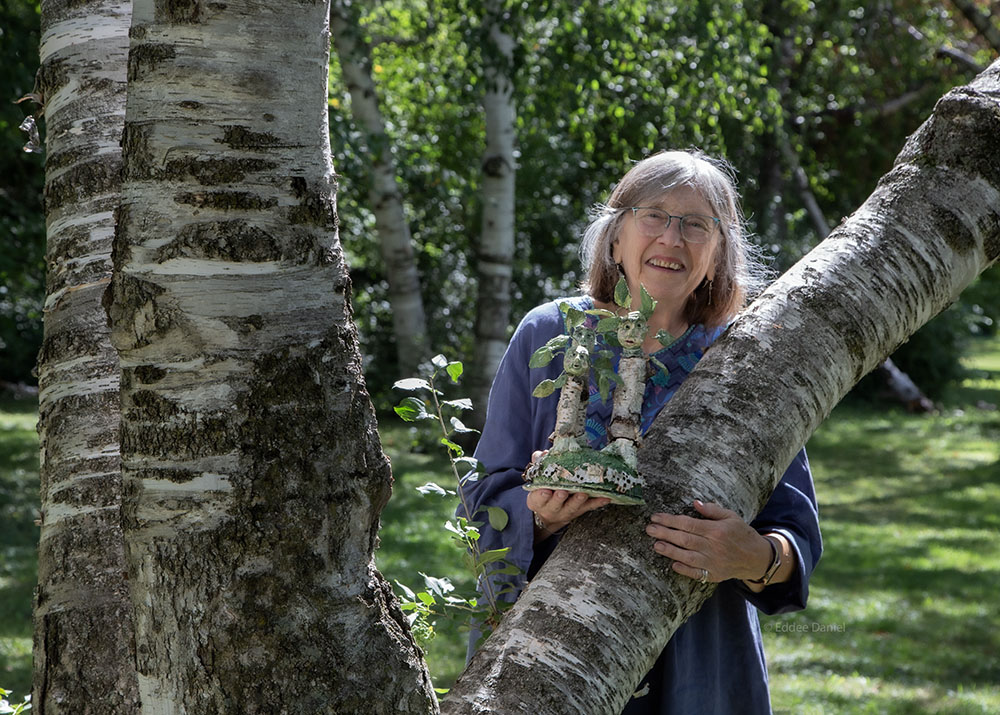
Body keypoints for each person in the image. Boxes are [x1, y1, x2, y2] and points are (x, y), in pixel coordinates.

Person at [460, 149, 822, 714]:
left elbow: (795, 534)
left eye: (697, 224)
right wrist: (536, 512)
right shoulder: (550, 333)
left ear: (719, 252)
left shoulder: (746, 357)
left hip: (701, 666)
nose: (672, 239)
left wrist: (752, 557)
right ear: (614, 235)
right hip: (552, 655)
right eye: (654, 215)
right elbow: (483, 498)